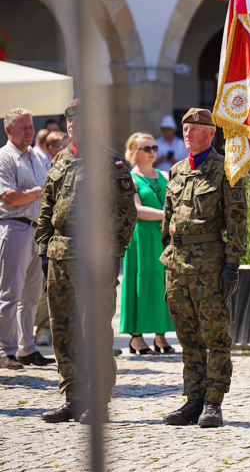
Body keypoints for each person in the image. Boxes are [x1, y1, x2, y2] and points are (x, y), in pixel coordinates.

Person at [37, 99, 137, 423]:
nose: (74, 126)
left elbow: (126, 213)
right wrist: (42, 248)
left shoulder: (109, 161)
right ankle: (74, 396)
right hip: (59, 256)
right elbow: (46, 210)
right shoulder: (61, 159)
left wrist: (114, 254)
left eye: (81, 121)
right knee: (62, 329)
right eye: (70, 122)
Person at [161, 108, 247, 429]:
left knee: (215, 336)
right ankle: (193, 398)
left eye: (196, 129)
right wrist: (167, 255)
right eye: (185, 128)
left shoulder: (226, 170)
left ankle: (213, 402)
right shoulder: (177, 171)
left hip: (209, 266)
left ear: (211, 134)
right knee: (188, 336)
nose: (189, 134)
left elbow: (238, 222)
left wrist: (232, 265)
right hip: (177, 265)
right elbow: (168, 219)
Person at [0, 109, 53, 369]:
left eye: (30, 126)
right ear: (9, 130)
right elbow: (9, 197)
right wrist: (38, 191)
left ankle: (26, 348)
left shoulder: (35, 156)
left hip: (37, 230)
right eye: (23, 127)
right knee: (9, 293)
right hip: (14, 227)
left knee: (32, 294)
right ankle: (4, 349)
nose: (29, 131)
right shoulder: (4, 157)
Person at [119, 132, 175, 355]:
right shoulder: (130, 178)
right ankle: (137, 337)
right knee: (141, 282)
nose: (152, 152)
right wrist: (166, 215)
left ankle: (160, 335)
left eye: (154, 148)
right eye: (146, 148)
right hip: (142, 237)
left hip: (163, 237)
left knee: (163, 283)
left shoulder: (164, 175)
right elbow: (136, 210)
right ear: (134, 152)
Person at [33, 131, 70, 346]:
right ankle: (40, 329)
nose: (67, 148)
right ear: (51, 149)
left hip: (64, 239)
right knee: (41, 286)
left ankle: (52, 330)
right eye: (62, 145)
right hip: (42, 233)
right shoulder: (44, 167)